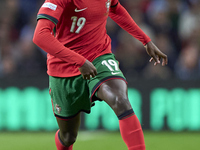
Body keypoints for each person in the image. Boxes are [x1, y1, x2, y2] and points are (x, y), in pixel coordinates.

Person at [33, 0, 168, 150]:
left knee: (120, 100)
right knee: (68, 136)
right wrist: (79, 61)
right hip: (64, 65)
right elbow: (40, 35)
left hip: (99, 56)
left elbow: (116, 9)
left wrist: (145, 40)